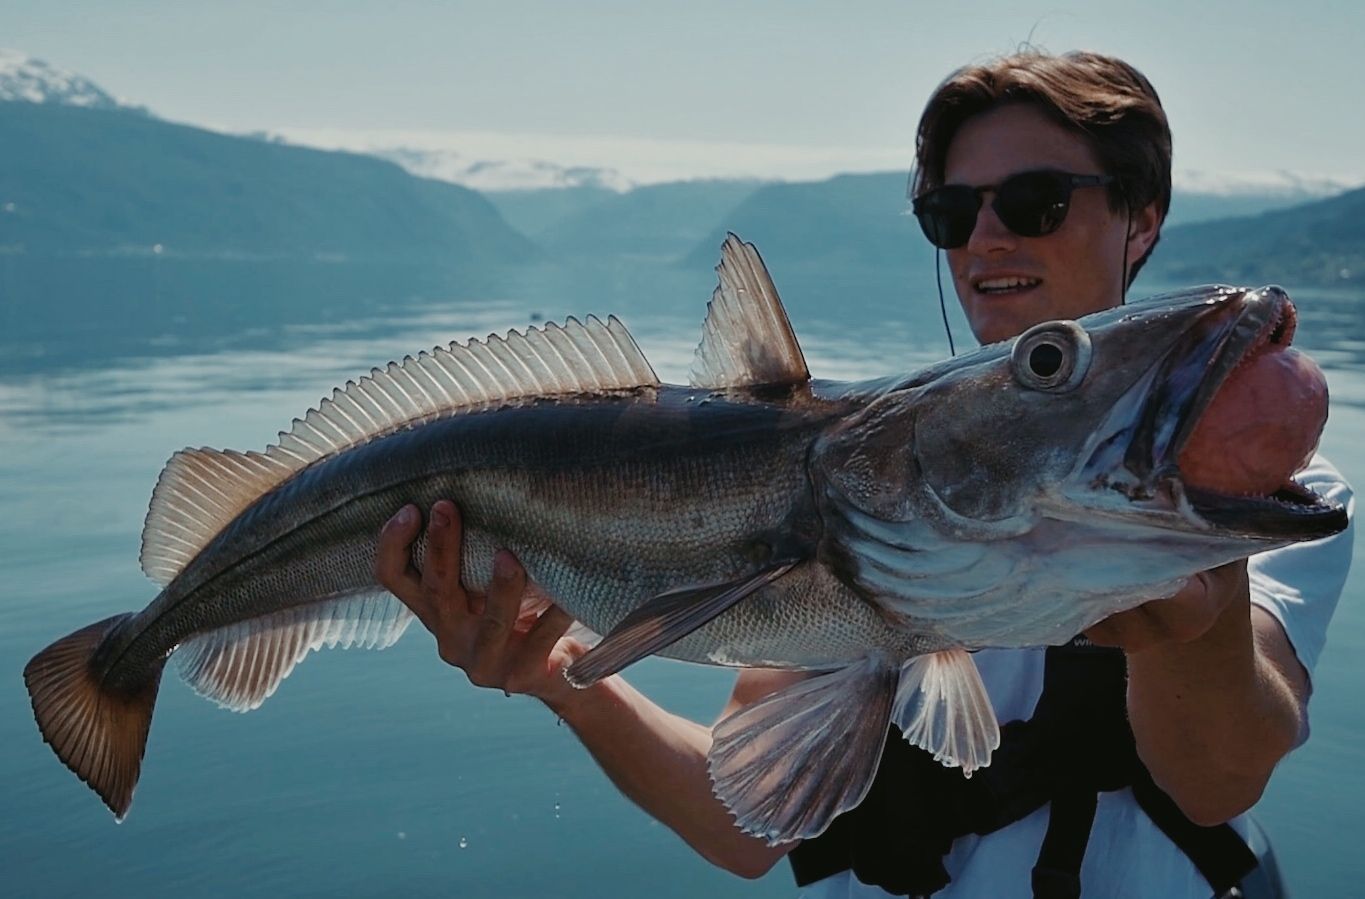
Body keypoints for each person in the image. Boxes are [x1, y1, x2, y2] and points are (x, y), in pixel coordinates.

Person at [374, 50, 1354, 898]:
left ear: (1142, 219)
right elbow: (745, 826)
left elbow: (1219, 778)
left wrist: (1205, 612)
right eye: (949, 213)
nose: (987, 238)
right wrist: (561, 681)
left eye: (1033, 201)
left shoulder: (1272, 492)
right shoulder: (862, 483)